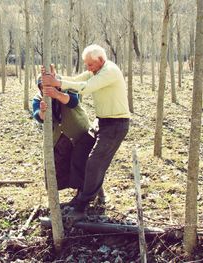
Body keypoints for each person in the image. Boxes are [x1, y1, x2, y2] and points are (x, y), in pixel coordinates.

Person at [42, 44, 130, 215]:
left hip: (116, 124)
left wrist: (58, 83)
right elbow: (76, 80)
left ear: (101, 60)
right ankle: (81, 194)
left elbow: (85, 87)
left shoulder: (109, 71)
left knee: (94, 163)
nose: (88, 68)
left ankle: (83, 203)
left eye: (90, 65)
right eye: (87, 65)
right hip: (101, 122)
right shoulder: (95, 70)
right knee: (80, 151)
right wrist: (56, 78)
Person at [32, 68, 91, 191]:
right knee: (57, 166)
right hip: (58, 137)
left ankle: (89, 195)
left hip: (79, 132)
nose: (46, 89)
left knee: (84, 164)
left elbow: (73, 102)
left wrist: (57, 95)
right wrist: (43, 111)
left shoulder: (67, 88)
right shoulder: (38, 98)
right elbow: (38, 116)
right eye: (43, 87)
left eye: (49, 85)